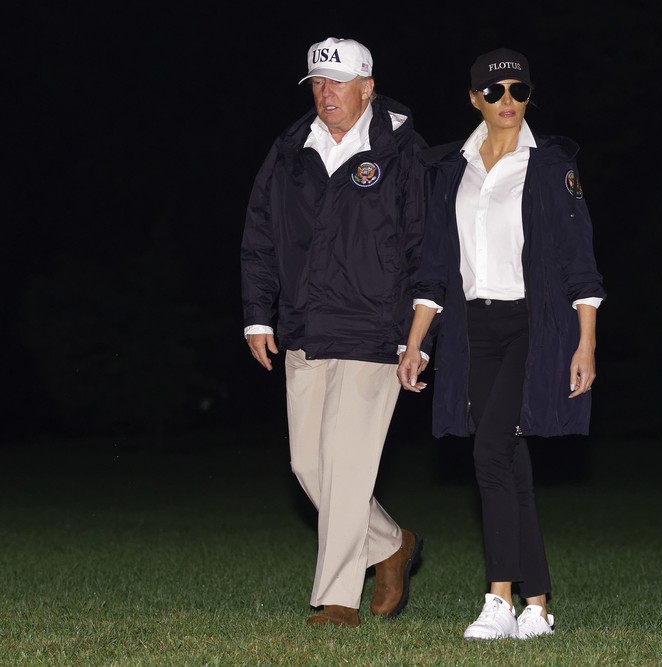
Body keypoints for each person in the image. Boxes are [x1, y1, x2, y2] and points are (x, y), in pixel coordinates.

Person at [397, 47, 606, 640]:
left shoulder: (550, 166)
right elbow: (434, 269)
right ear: (474, 99)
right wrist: (416, 345)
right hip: (474, 330)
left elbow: (581, 263)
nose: (508, 101)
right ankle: (537, 605)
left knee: (489, 453)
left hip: (533, 328)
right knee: (507, 461)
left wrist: (585, 343)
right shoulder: (451, 170)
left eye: (518, 90)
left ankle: (498, 598)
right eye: (495, 92)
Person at [241, 37, 427, 629]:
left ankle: (337, 599)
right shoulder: (291, 149)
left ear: (368, 87)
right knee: (308, 467)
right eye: (318, 83)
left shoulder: (402, 152)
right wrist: (257, 314)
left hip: (376, 333)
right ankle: (392, 542)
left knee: (347, 466)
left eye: (339, 82)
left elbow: (425, 249)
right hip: (305, 326)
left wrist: (414, 336)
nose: (326, 94)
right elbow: (261, 235)